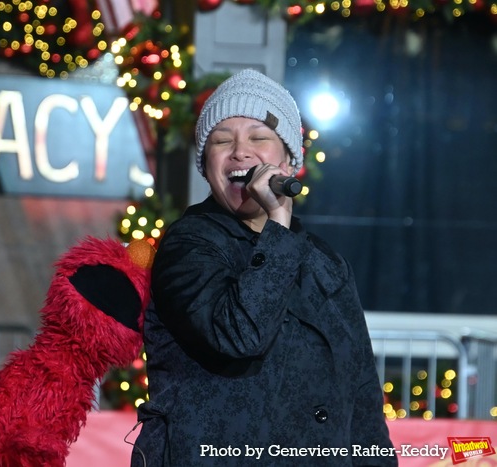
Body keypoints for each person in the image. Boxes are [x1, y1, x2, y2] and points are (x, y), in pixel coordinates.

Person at [130, 69, 397, 466]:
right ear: (205, 167)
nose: (240, 152)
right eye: (222, 140)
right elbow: (239, 335)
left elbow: (361, 395)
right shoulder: (188, 246)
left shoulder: (326, 262)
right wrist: (278, 222)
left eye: (259, 137)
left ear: (289, 162)